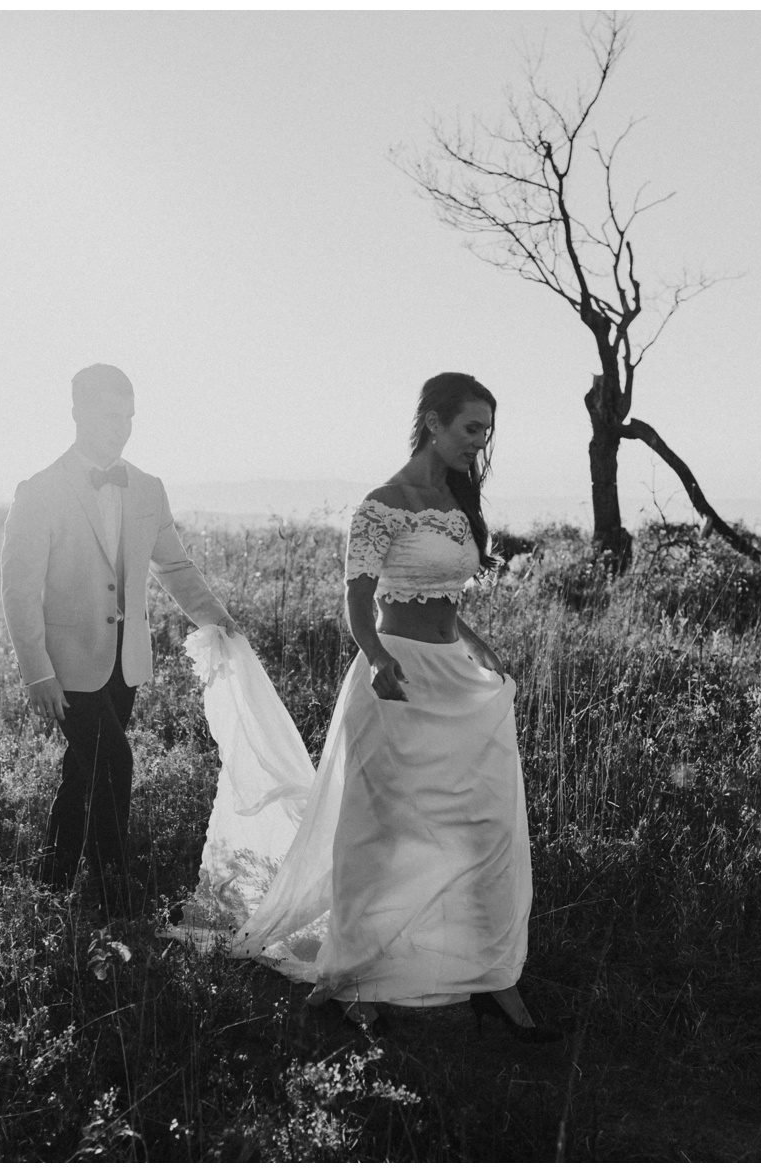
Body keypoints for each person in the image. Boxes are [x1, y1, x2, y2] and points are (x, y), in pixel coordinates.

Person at [226, 372, 559, 1042]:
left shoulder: (457, 498)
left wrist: (473, 638)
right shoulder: (381, 506)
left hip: (455, 681)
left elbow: (443, 595)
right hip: (396, 677)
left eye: (487, 432)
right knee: (379, 833)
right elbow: (362, 607)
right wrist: (380, 662)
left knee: (483, 824)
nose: (480, 444)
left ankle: (492, 976)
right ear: (432, 422)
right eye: (471, 429)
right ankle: (352, 975)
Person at [1, 362, 238, 913]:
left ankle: (53, 882)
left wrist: (220, 622)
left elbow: (176, 568)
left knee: (83, 772)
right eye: (111, 415)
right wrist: (37, 671)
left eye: (129, 417)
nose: (123, 427)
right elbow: (19, 591)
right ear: (79, 411)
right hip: (65, 666)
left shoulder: (149, 488)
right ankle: (113, 895)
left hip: (124, 664)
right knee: (115, 764)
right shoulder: (39, 490)